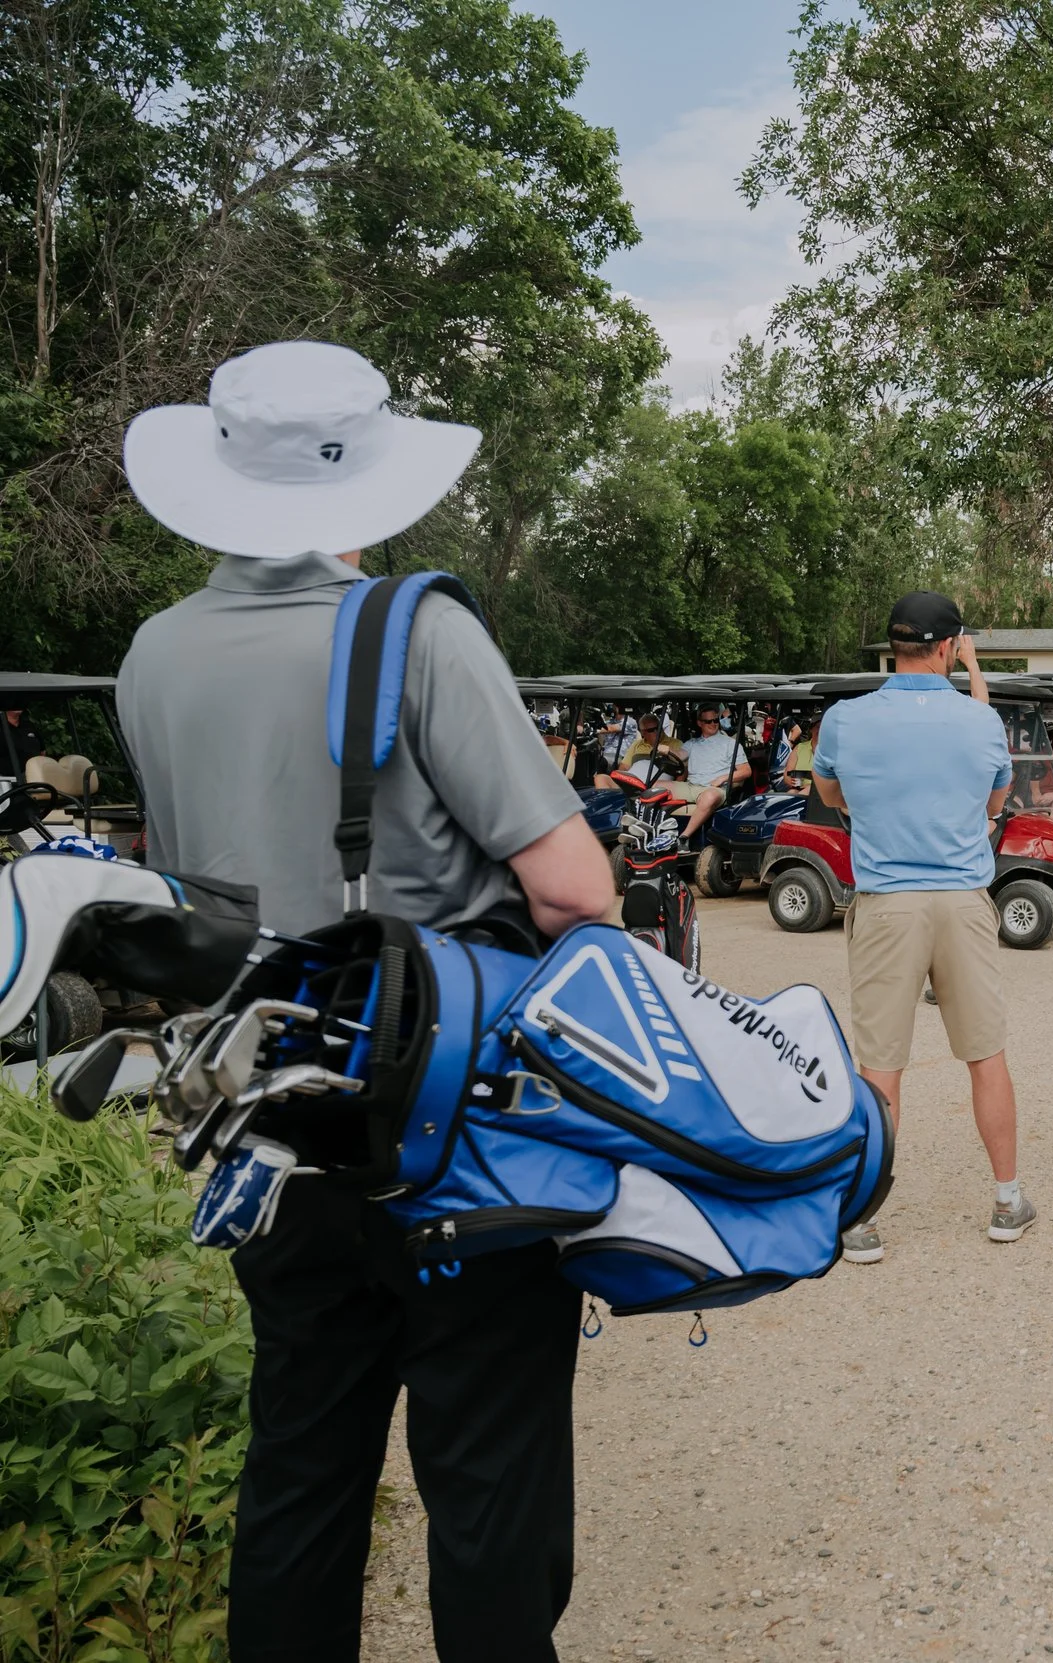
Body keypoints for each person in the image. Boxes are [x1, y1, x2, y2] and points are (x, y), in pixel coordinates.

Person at [114, 340, 614, 1660]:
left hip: (273, 1132)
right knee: (489, 1486)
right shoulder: (418, 634)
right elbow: (573, 890)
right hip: (454, 1134)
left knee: (301, 1466)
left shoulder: (153, 654)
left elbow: (191, 888)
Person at [814, 591, 1034, 1263]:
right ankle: (1007, 1200)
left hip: (887, 901)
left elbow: (831, 794)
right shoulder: (979, 720)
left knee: (881, 1064)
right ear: (947, 647)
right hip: (962, 899)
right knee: (986, 1055)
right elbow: (994, 802)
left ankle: (861, 1219)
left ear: (895, 646)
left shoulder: (845, 718)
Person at [675, 702, 751, 842]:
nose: (713, 724)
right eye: (708, 721)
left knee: (709, 797)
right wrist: (666, 751)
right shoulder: (692, 743)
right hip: (691, 786)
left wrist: (722, 778)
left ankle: (684, 838)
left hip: (715, 788)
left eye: (715, 720)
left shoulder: (730, 744)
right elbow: (679, 756)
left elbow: (746, 771)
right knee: (654, 786)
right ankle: (648, 833)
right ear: (699, 723)